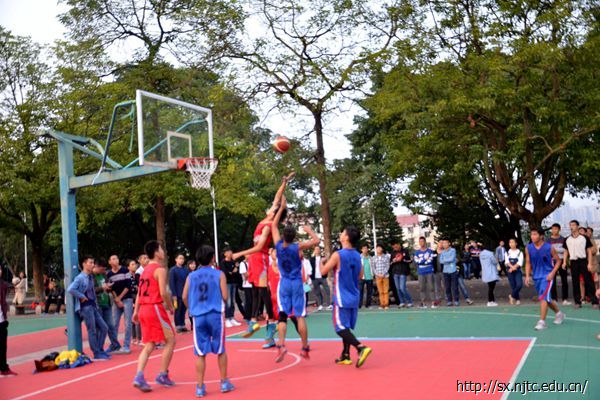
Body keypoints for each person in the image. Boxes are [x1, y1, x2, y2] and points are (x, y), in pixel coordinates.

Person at [232, 172, 294, 337]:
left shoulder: (268, 226)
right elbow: (278, 197)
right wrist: (284, 182)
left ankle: (271, 321)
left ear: (276, 213)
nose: (272, 205)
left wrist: (240, 253)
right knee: (255, 291)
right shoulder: (268, 216)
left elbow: (259, 246)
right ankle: (253, 321)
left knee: (263, 292)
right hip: (255, 259)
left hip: (260, 257)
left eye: (275, 207)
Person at [183, 245, 235, 397]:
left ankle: (200, 387)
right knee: (220, 350)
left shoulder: (191, 276)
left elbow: (184, 296)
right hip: (215, 315)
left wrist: (191, 308)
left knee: (200, 353)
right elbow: (225, 296)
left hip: (198, 316)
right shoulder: (219, 274)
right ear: (213, 258)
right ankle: (224, 382)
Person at [271, 198, 319, 361]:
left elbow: (273, 225)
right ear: (294, 237)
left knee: (282, 314)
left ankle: (281, 345)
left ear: (283, 235)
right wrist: (309, 230)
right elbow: (316, 241)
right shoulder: (297, 247)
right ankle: (305, 348)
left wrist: (281, 208)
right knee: (300, 316)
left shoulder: (278, 246)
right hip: (297, 283)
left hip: (284, 283)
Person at [321, 226, 372, 367]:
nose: (340, 234)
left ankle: (360, 347)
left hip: (341, 297)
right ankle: (346, 355)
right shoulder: (357, 255)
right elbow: (360, 275)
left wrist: (321, 262)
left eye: (342, 232)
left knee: (339, 327)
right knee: (346, 326)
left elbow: (323, 271)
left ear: (346, 237)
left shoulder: (338, 255)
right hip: (354, 296)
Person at [132, 240, 176, 392]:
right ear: (156, 253)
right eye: (161, 249)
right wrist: (171, 307)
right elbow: (163, 293)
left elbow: (139, 293)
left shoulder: (144, 271)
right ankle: (163, 374)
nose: (163, 251)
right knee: (170, 340)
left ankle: (139, 375)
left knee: (149, 344)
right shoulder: (159, 270)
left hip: (143, 309)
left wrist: (136, 311)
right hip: (154, 308)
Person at [67, 256, 110, 361]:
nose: (92, 264)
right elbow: (71, 289)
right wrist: (81, 296)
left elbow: (92, 291)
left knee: (104, 327)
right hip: (85, 307)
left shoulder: (90, 276)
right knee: (92, 330)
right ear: (84, 264)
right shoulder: (80, 277)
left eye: (93, 262)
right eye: (90, 262)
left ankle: (100, 350)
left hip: (93, 305)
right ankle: (96, 353)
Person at [525, 228, 566, 330]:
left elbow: (558, 261)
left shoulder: (549, 247)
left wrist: (552, 273)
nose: (532, 236)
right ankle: (559, 313)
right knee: (545, 298)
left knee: (543, 297)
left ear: (541, 236)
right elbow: (528, 262)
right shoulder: (528, 248)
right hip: (536, 276)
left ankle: (542, 322)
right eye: (531, 234)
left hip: (547, 276)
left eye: (535, 234)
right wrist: (527, 276)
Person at [564, 220, 598, 308]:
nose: (572, 227)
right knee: (575, 282)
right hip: (573, 262)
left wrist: (589, 263)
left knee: (589, 281)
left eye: (573, 225)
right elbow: (566, 251)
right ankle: (577, 302)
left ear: (577, 226)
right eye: (570, 225)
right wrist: (564, 262)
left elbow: (589, 251)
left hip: (583, 261)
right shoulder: (567, 239)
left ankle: (594, 301)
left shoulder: (584, 238)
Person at [107, 254, 133, 353]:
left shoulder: (125, 270)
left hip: (127, 299)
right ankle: (114, 345)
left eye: (116, 258)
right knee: (114, 324)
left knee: (127, 323)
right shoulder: (109, 274)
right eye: (113, 259)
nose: (115, 260)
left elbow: (128, 285)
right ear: (109, 262)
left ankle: (126, 345)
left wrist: (120, 298)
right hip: (116, 301)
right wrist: (116, 299)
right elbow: (111, 288)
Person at [93, 259, 120, 352]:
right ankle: (99, 349)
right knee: (100, 328)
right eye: (102, 269)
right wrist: (102, 287)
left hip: (106, 303)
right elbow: (91, 290)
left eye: (104, 269)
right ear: (96, 266)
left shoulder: (104, 275)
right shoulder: (90, 276)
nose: (104, 271)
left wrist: (109, 286)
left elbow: (108, 286)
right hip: (98, 304)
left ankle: (115, 344)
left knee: (110, 326)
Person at [548, 223, 571, 305]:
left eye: (556, 229)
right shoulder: (548, 240)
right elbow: (548, 251)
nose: (554, 230)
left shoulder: (563, 239)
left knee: (564, 280)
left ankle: (565, 299)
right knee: (552, 280)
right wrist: (557, 250)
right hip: (552, 262)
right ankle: (554, 299)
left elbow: (565, 251)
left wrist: (564, 261)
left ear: (559, 229)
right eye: (553, 229)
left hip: (562, 261)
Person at [1, 266, 17, 376]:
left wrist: (15, 280)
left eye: (0, 269)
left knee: (2, 346)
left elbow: (8, 285)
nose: (0, 271)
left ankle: (3, 368)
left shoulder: (3, 284)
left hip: (1, 320)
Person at [220, 248, 242, 328]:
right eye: (228, 252)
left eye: (231, 251)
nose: (230, 253)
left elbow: (237, 272)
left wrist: (232, 272)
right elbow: (225, 273)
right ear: (225, 253)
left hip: (234, 283)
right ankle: (227, 318)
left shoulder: (233, 262)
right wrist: (232, 271)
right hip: (227, 283)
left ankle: (232, 317)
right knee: (228, 301)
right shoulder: (223, 263)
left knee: (232, 301)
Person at [169, 253, 190, 333]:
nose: (182, 260)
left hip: (184, 294)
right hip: (176, 294)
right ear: (176, 259)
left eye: (183, 258)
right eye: (180, 258)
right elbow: (172, 283)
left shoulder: (186, 270)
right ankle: (178, 326)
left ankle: (183, 324)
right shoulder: (173, 270)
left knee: (183, 310)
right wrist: (173, 294)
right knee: (177, 310)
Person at [414, 237, 436, 309]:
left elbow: (430, 260)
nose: (421, 243)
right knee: (421, 288)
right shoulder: (417, 252)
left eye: (422, 241)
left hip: (429, 271)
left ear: (425, 242)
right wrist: (424, 259)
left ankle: (433, 302)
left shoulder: (430, 251)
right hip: (421, 272)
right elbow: (416, 261)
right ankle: (423, 303)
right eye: (420, 242)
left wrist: (422, 260)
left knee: (431, 287)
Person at [390, 242, 413, 308]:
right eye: (393, 246)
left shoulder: (405, 251)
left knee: (402, 288)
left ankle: (410, 301)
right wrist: (393, 261)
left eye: (396, 246)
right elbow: (390, 263)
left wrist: (402, 259)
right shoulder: (392, 253)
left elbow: (410, 260)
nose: (395, 247)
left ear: (399, 245)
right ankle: (402, 302)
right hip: (395, 273)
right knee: (398, 289)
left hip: (403, 272)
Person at [309, 247, 331, 311]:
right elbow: (310, 268)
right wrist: (311, 277)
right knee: (317, 292)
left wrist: (326, 275)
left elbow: (327, 266)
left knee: (327, 290)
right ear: (314, 251)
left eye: (318, 249)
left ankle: (328, 305)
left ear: (320, 251)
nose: (317, 250)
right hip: (314, 278)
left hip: (323, 277)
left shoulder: (323, 258)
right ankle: (320, 305)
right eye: (316, 249)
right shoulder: (311, 259)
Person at [439, 239, 459, 306]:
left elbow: (452, 259)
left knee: (455, 287)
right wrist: (447, 260)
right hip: (445, 271)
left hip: (453, 270)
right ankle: (449, 300)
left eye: (445, 243)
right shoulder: (442, 252)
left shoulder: (453, 250)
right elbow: (441, 261)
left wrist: (445, 260)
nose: (444, 244)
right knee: (447, 287)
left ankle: (456, 300)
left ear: (449, 243)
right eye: (443, 243)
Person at [127, 259, 142, 346]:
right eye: (132, 264)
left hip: (137, 298)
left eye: (135, 264)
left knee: (136, 319)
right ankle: (136, 338)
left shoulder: (137, 275)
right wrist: (132, 302)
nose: (134, 265)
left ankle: (138, 338)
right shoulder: (127, 276)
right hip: (131, 299)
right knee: (134, 319)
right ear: (128, 267)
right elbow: (128, 289)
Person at [505, 238, 524, 305]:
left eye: (512, 242)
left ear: (516, 243)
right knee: (513, 286)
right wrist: (512, 267)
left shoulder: (520, 252)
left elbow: (520, 262)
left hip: (517, 271)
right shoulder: (507, 252)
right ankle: (517, 299)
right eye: (510, 242)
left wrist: (513, 267)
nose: (511, 244)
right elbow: (507, 262)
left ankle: (511, 296)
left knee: (519, 285)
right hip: (509, 271)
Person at [372, 244, 390, 309]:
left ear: (382, 249)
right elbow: (373, 267)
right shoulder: (374, 258)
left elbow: (387, 266)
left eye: (380, 248)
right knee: (380, 291)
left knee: (386, 291)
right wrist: (377, 274)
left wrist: (383, 273)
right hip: (378, 276)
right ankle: (382, 304)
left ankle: (386, 304)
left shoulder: (386, 257)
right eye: (377, 248)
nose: (378, 249)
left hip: (385, 276)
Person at [237, 257, 253, 323]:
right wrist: (252, 273)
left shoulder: (251, 262)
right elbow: (245, 274)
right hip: (247, 284)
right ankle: (247, 316)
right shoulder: (242, 264)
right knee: (248, 300)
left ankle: (252, 315)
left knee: (253, 300)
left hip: (253, 284)